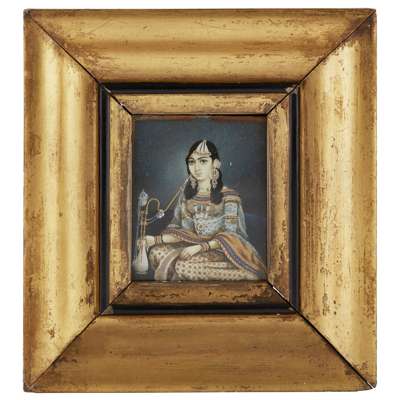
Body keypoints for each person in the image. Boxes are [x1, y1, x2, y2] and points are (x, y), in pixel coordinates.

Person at [145, 139, 266, 281]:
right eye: (191, 162)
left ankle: (244, 276)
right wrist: (155, 240)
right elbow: (185, 232)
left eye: (203, 161)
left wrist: (200, 248)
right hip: (192, 246)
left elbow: (231, 236)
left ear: (215, 164)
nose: (196, 167)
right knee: (156, 252)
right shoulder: (186, 197)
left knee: (182, 266)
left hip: (223, 251)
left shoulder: (229, 196)